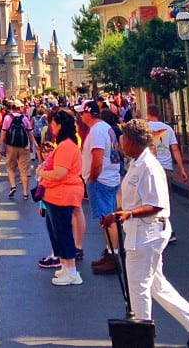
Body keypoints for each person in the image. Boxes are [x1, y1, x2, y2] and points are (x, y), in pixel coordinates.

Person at [102, 119, 189, 340]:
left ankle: (141, 338)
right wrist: (117, 213)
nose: (120, 142)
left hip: (147, 233)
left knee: (138, 288)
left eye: (123, 138)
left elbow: (156, 204)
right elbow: (136, 200)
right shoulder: (136, 164)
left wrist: (129, 214)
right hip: (138, 232)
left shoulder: (150, 167)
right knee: (156, 286)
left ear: (132, 141)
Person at [35, 109, 85, 285]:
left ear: (60, 125)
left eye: (53, 123)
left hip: (62, 194)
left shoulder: (66, 146)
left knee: (63, 232)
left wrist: (41, 171)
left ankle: (71, 271)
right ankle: (65, 266)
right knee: (56, 231)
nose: (51, 126)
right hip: (56, 194)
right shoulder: (65, 145)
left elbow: (59, 173)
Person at [76, 99, 120, 274]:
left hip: (101, 180)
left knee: (107, 218)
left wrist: (92, 177)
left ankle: (113, 255)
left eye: (81, 112)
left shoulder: (96, 132)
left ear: (88, 113)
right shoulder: (104, 128)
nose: (80, 116)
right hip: (108, 178)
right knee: (106, 218)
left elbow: (97, 158)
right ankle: (110, 251)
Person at [146, 104, 188, 244]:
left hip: (151, 167)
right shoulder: (168, 129)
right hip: (166, 167)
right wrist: (181, 169)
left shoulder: (146, 128)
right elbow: (175, 149)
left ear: (148, 113)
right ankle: (164, 229)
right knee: (164, 199)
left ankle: (164, 230)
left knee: (152, 200)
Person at [1, 99, 36, 200]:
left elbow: (3, 133)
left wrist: (1, 146)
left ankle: (13, 186)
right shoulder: (24, 118)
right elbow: (30, 132)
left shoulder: (7, 118)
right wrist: (31, 145)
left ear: (11, 108)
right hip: (23, 146)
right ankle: (25, 193)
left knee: (10, 167)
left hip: (11, 146)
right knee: (24, 169)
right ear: (19, 107)